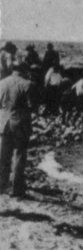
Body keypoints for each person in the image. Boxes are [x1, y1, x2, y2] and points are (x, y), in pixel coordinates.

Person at [0, 62, 37, 198]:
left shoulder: (2, 83)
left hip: (3, 122)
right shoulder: (27, 84)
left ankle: (1, 186)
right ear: (24, 70)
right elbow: (32, 105)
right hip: (20, 123)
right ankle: (17, 189)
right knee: (20, 155)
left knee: (4, 156)